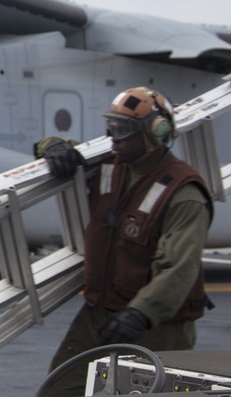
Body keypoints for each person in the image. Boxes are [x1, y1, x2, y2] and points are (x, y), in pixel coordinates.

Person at [37, 86, 213, 396]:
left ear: (154, 134)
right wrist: (51, 146)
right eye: (111, 126)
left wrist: (140, 312)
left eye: (124, 129)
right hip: (100, 314)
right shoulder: (108, 166)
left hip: (158, 325)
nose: (114, 137)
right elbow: (69, 152)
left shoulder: (183, 194)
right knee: (59, 390)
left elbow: (178, 267)